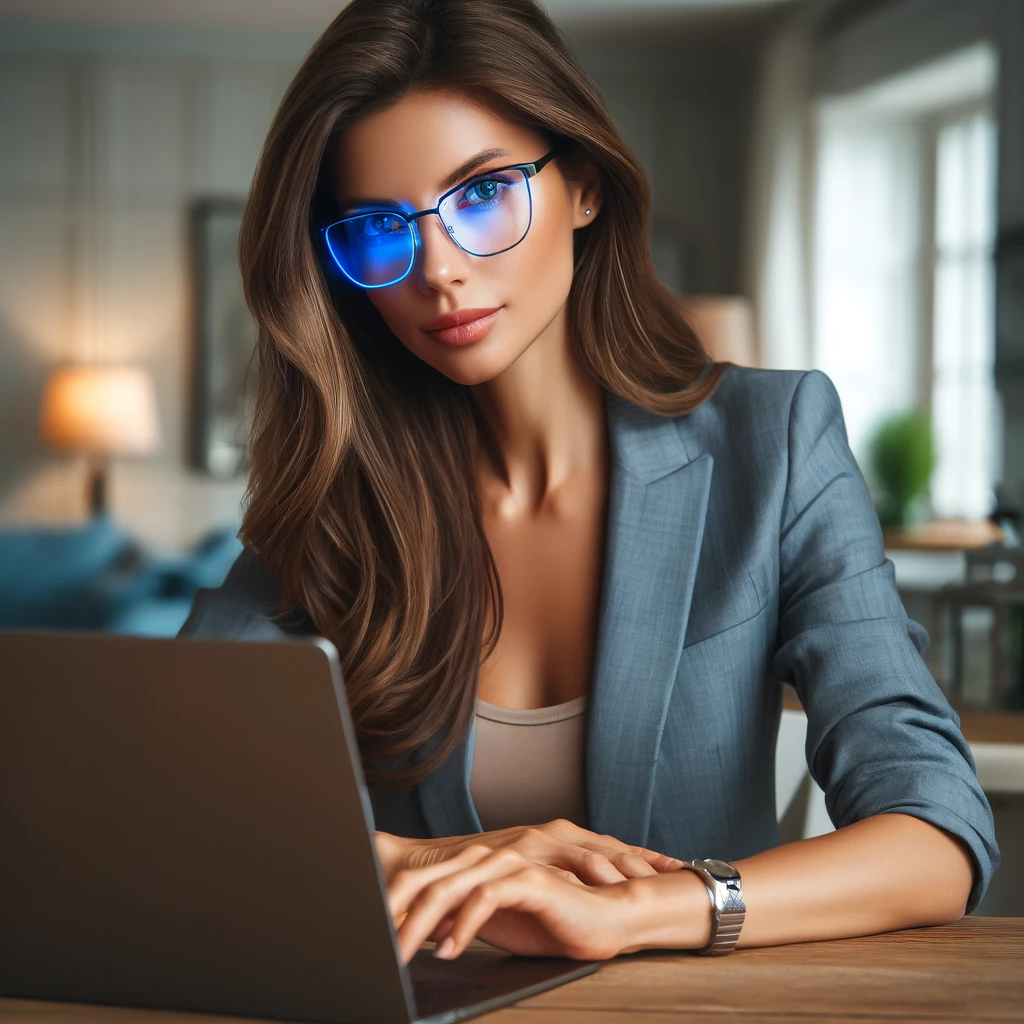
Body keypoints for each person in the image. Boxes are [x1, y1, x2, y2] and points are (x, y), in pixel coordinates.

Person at [179, 0, 999, 967]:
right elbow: (168, 795)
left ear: (585, 186)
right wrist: (455, 859)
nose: (437, 268)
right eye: (378, 226)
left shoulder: (769, 444)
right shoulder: (337, 497)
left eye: (483, 193)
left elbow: (936, 834)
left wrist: (633, 911)